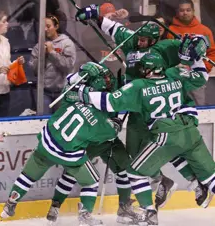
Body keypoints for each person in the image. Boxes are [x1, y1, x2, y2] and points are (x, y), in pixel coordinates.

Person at [65, 36, 215, 224]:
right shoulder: (175, 73)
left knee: (135, 172)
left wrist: (82, 93)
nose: (142, 71)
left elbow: (109, 102)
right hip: (190, 131)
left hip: (166, 135)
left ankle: (149, 212)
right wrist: (196, 58)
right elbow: (201, 78)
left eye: (144, 68)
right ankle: (195, 185)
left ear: (149, 69)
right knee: (211, 176)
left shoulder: (139, 86)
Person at [0, 62, 124, 226]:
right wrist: (115, 123)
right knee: (91, 181)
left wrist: (82, 72)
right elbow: (110, 133)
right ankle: (84, 216)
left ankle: (10, 204)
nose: (109, 81)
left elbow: (69, 81)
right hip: (68, 154)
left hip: (46, 144)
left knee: (27, 176)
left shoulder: (70, 95)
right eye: (106, 80)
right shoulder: (100, 118)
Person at [46, 66, 137, 225]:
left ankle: (123, 209)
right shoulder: (86, 89)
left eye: (109, 78)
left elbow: (129, 93)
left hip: (108, 139)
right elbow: (68, 82)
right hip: (90, 139)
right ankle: (55, 205)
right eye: (105, 80)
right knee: (72, 173)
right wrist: (81, 71)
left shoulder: (114, 83)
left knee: (125, 168)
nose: (108, 81)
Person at [167, 0, 215, 105]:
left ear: (193, 11)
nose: (185, 13)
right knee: (177, 107)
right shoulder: (171, 30)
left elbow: (212, 52)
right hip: (177, 78)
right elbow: (168, 53)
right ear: (177, 12)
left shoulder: (204, 30)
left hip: (196, 78)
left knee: (199, 107)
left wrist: (203, 69)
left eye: (188, 10)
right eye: (182, 10)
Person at [29, 13, 76, 114]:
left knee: (61, 122)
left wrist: (52, 53)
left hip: (62, 93)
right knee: (42, 122)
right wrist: (43, 55)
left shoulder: (67, 44)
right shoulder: (39, 46)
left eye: (48, 26)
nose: (45, 29)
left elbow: (68, 67)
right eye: (43, 27)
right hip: (44, 93)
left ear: (56, 26)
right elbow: (34, 70)